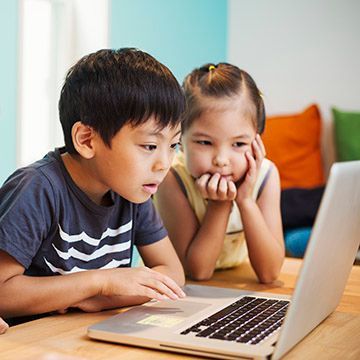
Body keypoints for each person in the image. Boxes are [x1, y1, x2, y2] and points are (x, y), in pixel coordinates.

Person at [0, 48, 186, 322]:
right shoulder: (37, 189)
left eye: (173, 146)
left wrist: (100, 300)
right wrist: (101, 283)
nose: (164, 163)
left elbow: (173, 273)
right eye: (149, 146)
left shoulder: (133, 192)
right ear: (87, 140)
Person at [155, 63, 285, 283]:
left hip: (231, 284)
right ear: (181, 140)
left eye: (239, 144)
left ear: (256, 141)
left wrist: (245, 201)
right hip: (183, 290)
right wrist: (220, 205)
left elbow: (270, 273)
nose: (221, 160)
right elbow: (198, 271)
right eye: (205, 142)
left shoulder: (266, 176)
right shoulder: (172, 178)